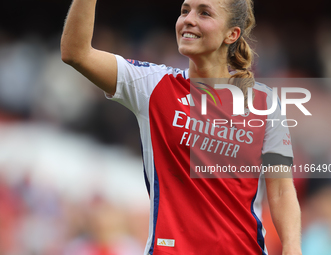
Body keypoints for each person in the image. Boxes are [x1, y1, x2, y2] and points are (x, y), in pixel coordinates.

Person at [61, 0, 302, 254]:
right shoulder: (151, 85)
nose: (188, 19)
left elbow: (281, 190)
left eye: (204, 13)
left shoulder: (264, 102)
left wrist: (292, 247)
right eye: (185, 11)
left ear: (232, 34)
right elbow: (75, 53)